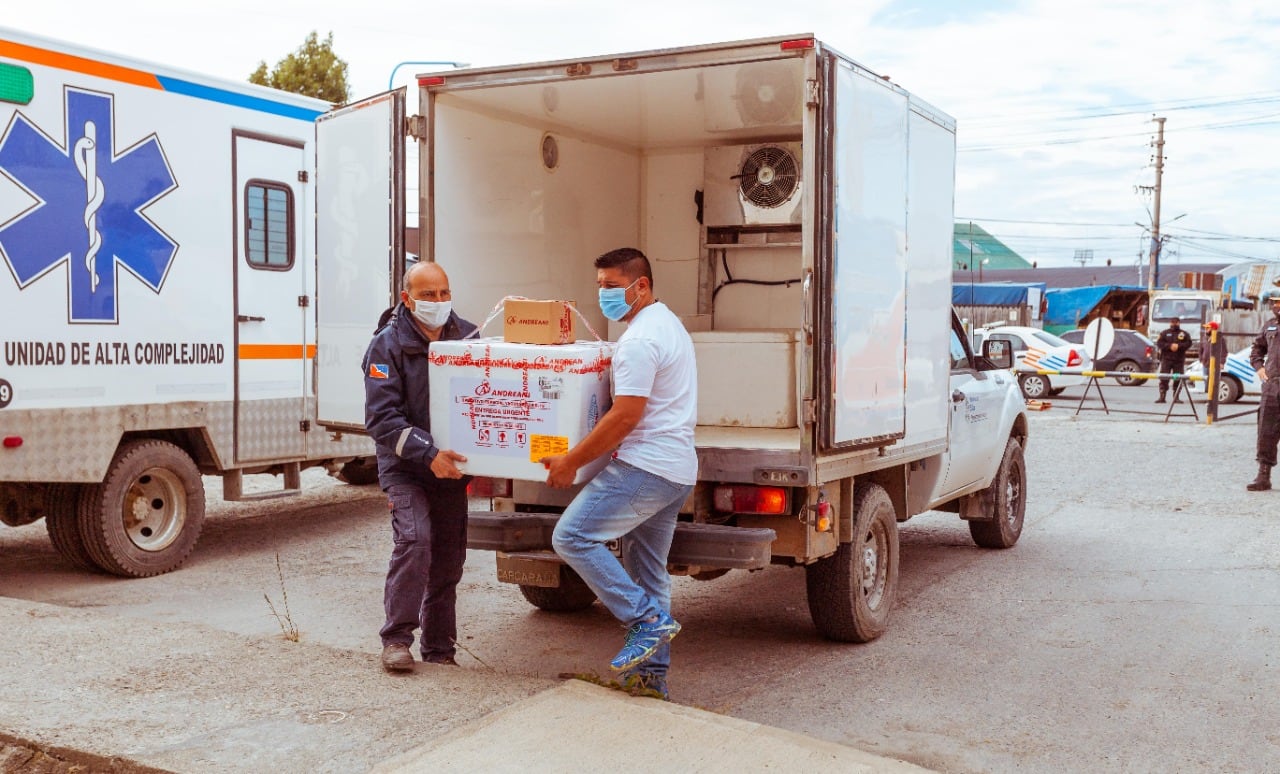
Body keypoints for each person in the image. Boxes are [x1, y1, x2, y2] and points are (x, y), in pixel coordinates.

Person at [541, 247, 697, 701]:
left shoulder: (639, 341)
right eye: (600, 287)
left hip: (646, 466)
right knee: (649, 574)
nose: (604, 295)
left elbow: (625, 416)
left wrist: (570, 460)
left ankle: (645, 621)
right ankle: (650, 681)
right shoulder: (666, 323)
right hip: (676, 469)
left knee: (571, 537)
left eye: (611, 287)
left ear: (640, 286)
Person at [362, 261, 477, 671]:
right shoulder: (386, 346)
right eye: (429, 295)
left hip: (451, 469)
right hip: (406, 467)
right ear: (407, 299)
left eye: (444, 293)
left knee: (449, 558)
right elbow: (381, 420)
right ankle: (396, 640)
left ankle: (440, 649)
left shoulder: (470, 337)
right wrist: (430, 454)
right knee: (415, 542)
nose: (439, 302)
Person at [1246, 291, 1280, 491]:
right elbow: (1257, 349)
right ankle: (1263, 476)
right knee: (1266, 432)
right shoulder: (1269, 325)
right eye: (1275, 303)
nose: (1277, 306)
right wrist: (1259, 368)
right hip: (1272, 386)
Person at [1154, 316, 1193, 403]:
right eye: (1172, 322)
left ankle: (1176, 397)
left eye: (1176, 322)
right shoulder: (1164, 333)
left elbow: (1189, 343)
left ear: (1179, 323)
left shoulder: (1184, 334)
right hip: (1166, 360)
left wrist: (1179, 346)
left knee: (1177, 378)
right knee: (1164, 378)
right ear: (1170, 323)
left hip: (1178, 361)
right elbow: (1159, 343)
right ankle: (1162, 397)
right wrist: (1169, 346)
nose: (1174, 324)